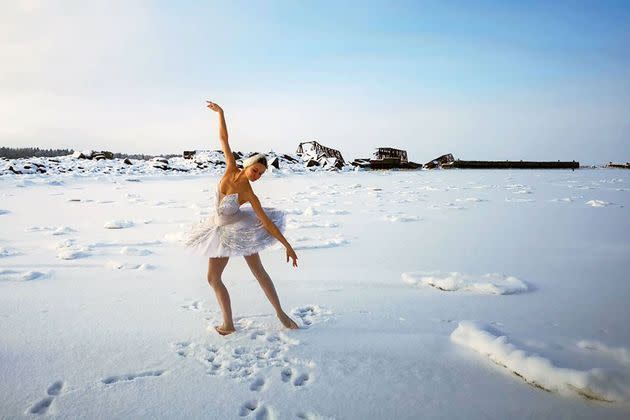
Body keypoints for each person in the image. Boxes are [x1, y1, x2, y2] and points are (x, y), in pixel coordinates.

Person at [184, 100, 300, 336]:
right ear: (247, 166)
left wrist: (287, 245)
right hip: (218, 228)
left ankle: (279, 313)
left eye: (261, 174)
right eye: (255, 170)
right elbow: (224, 140)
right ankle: (229, 323)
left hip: (239, 231)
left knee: (257, 272)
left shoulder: (249, 193)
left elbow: (266, 223)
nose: (257, 176)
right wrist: (221, 114)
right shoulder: (229, 168)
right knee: (213, 278)